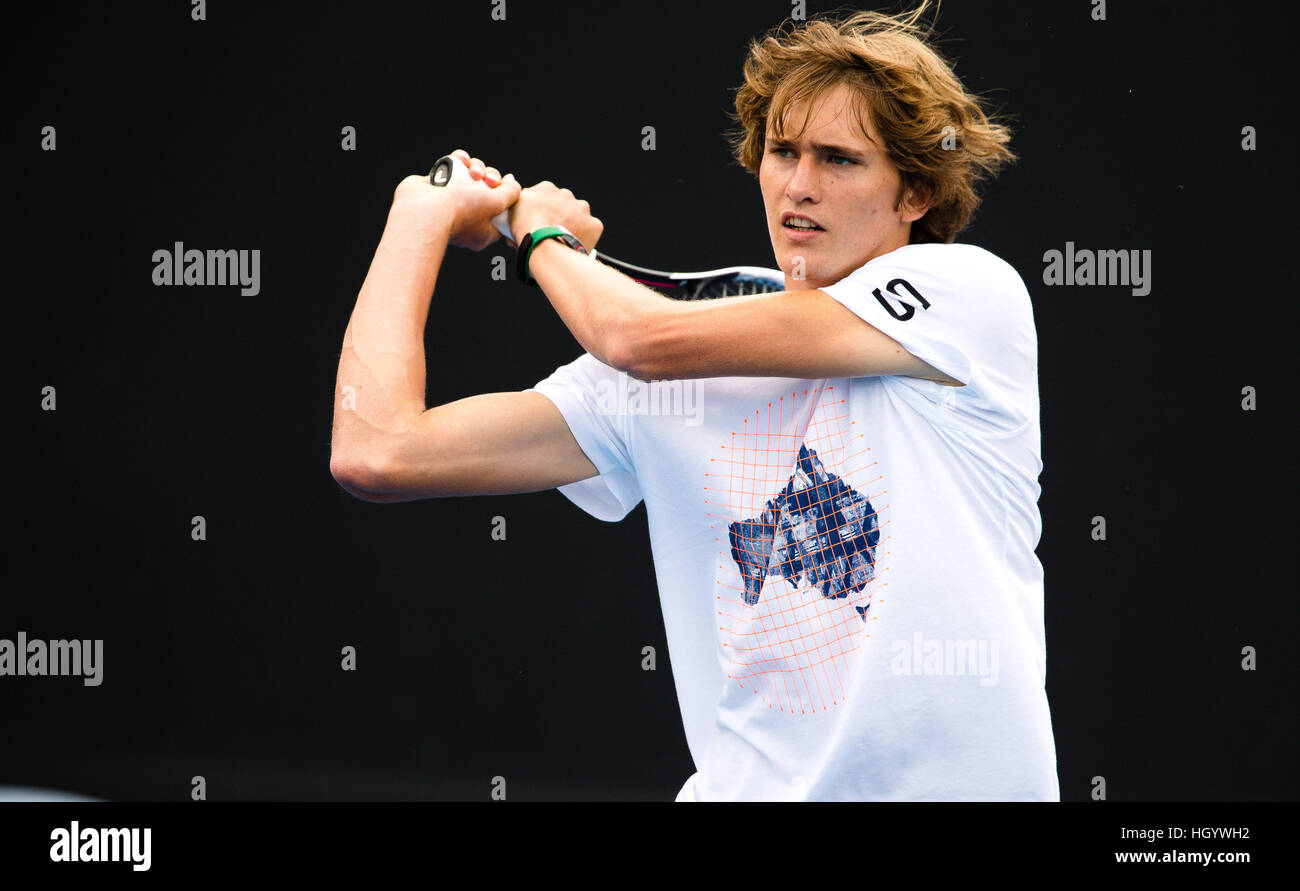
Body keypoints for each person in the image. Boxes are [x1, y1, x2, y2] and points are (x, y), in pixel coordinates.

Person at [330, 3, 1059, 801]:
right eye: (782, 152)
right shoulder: (658, 377)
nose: (799, 186)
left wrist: (539, 237)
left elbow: (633, 338)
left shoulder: (968, 296)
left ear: (915, 192)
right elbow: (377, 450)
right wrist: (418, 216)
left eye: (840, 160)